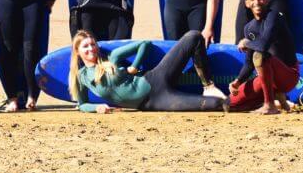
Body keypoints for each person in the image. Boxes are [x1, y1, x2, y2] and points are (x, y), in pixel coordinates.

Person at [69, 30, 227, 112]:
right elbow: (82, 104)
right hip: (154, 102)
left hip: (155, 79)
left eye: (93, 44)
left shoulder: (112, 58)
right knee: (215, 104)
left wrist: (135, 66)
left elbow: (144, 44)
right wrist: (96, 108)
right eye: (86, 46)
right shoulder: (81, 77)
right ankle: (229, 102)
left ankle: (208, 86)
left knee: (193, 36)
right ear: (77, 52)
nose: (91, 49)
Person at [228, 0, 300, 114]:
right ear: (247, 3)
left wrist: (246, 42)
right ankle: (278, 99)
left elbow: (263, 45)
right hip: (267, 79)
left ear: (266, 1)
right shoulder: (249, 28)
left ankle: (270, 104)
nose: (257, 2)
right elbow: (249, 63)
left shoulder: (274, 16)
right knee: (230, 104)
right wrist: (238, 81)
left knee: (260, 55)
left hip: (288, 76)